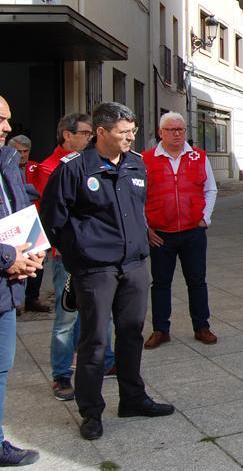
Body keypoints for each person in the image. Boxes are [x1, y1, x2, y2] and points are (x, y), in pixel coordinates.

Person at [40, 103, 174, 441]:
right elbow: (53, 221)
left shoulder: (136, 164)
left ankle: (132, 398)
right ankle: (91, 411)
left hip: (132, 267)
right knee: (94, 341)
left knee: (130, 334)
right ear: (101, 132)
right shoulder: (73, 168)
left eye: (133, 131)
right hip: (95, 270)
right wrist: (80, 255)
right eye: (123, 132)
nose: (131, 137)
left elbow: (137, 211)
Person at [35, 113, 116, 402]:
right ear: (67, 135)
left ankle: (105, 361)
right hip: (67, 255)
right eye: (83, 133)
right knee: (67, 315)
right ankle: (61, 375)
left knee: (97, 312)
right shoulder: (51, 168)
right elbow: (59, 214)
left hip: (94, 254)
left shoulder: (92, 163)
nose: (89, 138)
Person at [143, 112, 218, 348]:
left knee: (197, 281)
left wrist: (205, 218)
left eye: (181, 130)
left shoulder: (199, 157)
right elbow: (137, 196)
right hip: (161, 234)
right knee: (160, 283)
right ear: (160, 132)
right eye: (171, 130)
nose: (177, 134)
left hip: (192, 232)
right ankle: (160, 329)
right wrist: (146, 228)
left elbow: (210, 189)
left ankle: (202, 326)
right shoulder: (146, 159)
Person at [0, 97, 44, 466]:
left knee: (2, 366)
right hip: (6, 268)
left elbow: (20, 209)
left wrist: (36, 250)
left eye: (8, 120)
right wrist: (9, 258)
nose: (7, 128)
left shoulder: (8, 162)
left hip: (6, 288)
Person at [8, 135, 48, 315]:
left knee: (36, 260)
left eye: (25, 151)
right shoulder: (6, 167)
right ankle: (14, 301)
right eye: (18, 151)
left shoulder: (35, 167)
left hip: (33, 219)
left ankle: (32, 298)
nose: (22, 155)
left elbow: (40, 191)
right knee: (13, 260)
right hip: (11, 221)